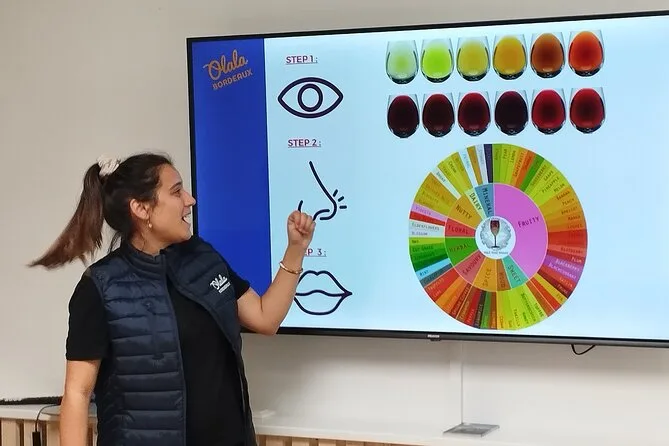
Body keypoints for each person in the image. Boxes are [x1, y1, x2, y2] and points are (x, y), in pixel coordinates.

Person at [29, 152, 315, 446]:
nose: (190, 200)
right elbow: (77, 393)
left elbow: (266, 318)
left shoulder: (203, 257)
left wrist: (296, 249)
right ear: (141, 208)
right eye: (177, 192)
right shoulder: (101, 286)